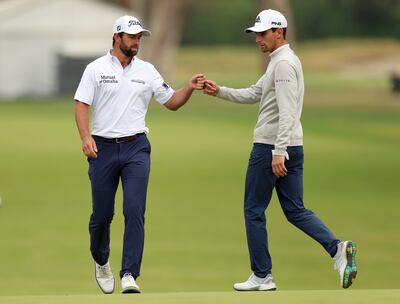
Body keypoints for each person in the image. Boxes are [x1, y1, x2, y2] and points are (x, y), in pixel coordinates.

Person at [203, 9, 357, 291]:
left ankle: (262, 275)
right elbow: (255, 93)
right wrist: (220, 91)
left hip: (271, 147)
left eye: (263, 34)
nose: (258, 39)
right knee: (295, 210)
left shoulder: (284, 64)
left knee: (253, 210)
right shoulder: (280, 62)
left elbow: (287, 112)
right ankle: (337, 250)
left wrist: (277, 150)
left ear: (279, 32)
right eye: (256, 34)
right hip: (290, 146)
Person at [74, 15, 205, 294]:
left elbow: (171, 102)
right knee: (102, 215)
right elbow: (81, 104)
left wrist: (189, 88)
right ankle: (101, 261)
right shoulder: (95, 69)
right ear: (117, 37)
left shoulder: (147, 70)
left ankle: (130, 274)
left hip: (136, 147)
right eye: (132, 37)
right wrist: (85, 137)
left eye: (139, 37)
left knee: (134, 210)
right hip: (103, 148)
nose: (137, 42)